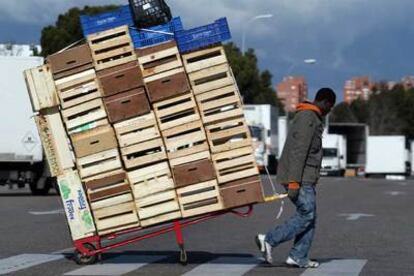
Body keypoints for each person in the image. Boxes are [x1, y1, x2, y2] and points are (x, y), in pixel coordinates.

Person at [255, 88, 337, 268]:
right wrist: (294, 181)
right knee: (307, 214)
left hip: (304, 177)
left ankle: (298, 256)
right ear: (325, 102)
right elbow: (299, 151)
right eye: (330, 106)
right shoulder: (308, 118)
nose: (330, 110)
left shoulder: (311, 117)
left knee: (310, 216)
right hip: (300, 178)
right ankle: (268, 240)